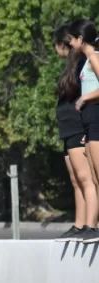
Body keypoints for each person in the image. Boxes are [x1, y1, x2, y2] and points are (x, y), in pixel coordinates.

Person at [53, 26, 98, 242]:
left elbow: (88, 93)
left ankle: (90, 225)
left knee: (87, 178)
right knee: (76, 180)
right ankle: (80, 225)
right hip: (69, 128)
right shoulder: (74, 66)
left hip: (80, 126)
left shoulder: (86, 61)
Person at [69, 19, 99, 243]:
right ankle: (91, 225)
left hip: (96, 119)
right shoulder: (87, 59)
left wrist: (84, 98)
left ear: (80, 39)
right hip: (88, 123)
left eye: (71, 39)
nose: (70, 44)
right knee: (95, 178)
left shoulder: (94, 57)